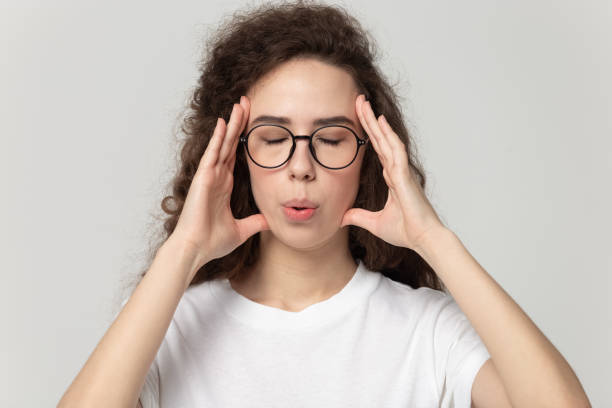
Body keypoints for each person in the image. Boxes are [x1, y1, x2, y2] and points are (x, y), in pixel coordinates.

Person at [58, 1, 591, 407]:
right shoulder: (171, 324)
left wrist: (435, 240)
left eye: (331, 138)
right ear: (234, 156)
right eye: (272, 137)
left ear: (372, 157)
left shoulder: (428, 331)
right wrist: (185, 250)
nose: (301, 166)